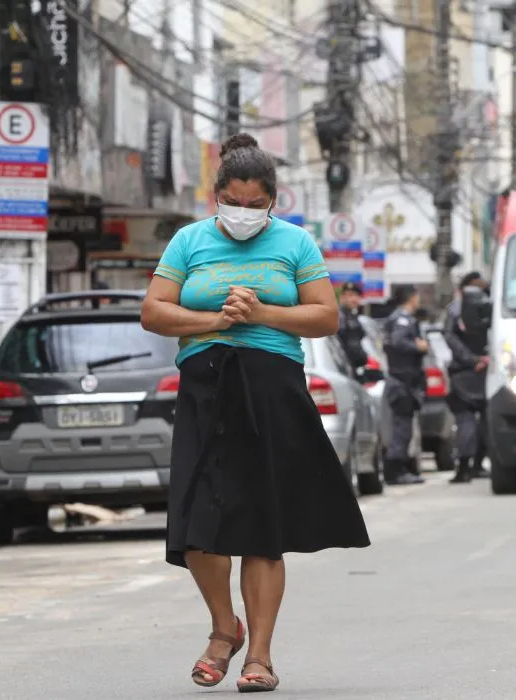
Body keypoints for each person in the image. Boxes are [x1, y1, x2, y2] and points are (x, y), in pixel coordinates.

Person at [140, 133, 370, 692]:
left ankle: (258, 656)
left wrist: (262, 311)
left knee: (263, 529)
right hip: (204, 389)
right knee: (197, 525)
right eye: (233, 203)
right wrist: (216, 322)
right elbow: (154, 311)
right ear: (215, 195)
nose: (243, 214)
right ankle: (225, 628)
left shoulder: (296, 244)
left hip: (272, 392)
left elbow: (325, 318)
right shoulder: (188, 241)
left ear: (273, 201)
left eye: (255, 205)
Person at [444, 271, 491, 483]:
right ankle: (469, 466)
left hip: (473, 370)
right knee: (472, 422)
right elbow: (451, 337)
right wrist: (477, 360)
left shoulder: (461, 310)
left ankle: (470, 466)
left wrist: (476, 360)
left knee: (474, 422)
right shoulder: (460, 310)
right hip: (472, 371)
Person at [382, 285, 428, 486]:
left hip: (406, 382)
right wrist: (417, 346)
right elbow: (398, 342)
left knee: (405, 428)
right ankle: (395, 471)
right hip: (402, 382)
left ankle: (400, 469)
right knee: (402, 429)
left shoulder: (401, 318)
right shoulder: (402, 319)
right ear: (412, 298)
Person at [336, 282, 369, 371]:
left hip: (351, 366)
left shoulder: (352, 315)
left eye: (357, 296)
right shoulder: (339, 316)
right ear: (342, 297)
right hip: (343, 366)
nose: (354, 299)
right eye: (350, 295)